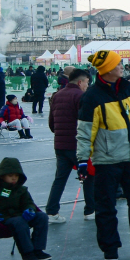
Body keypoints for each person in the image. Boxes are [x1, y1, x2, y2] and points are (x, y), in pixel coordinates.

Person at [76, 50, 130, 260]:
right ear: (108, 69)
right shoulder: (92, 96)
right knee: (106, 207)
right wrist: (83, 160)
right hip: (106, 161)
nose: (122, 66)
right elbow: (85, 132)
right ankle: (110, 248)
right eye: (118, 64)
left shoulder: (128, 87)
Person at [0, 157, 50, 260]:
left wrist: (29, 209)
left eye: (16, 176)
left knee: (42, 217)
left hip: (20, 216)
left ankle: (38, 249)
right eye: (10, 176)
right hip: (1, 220)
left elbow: (28, 202)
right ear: (2, 176)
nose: (14, 178)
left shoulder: (21, 190)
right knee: (19, 222)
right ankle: (27, 253)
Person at [46, 69, 94, 223]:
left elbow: (52, 124)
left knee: (59, 179)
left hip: (60, 144)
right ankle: (90, 210)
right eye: (86, 82)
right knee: (88, 176)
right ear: (80, 82)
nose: (87, 85)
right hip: (78, 145)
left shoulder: (57, 95)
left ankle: (52, 212)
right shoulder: (81, 96)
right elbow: (86, 123)